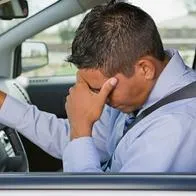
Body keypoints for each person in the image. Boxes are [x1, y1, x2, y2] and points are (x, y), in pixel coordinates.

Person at [1, 0, 196, 172]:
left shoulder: (175, 128)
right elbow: (83, 143)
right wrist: (4, 104)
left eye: (97, 89)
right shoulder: (132, 98)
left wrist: (80, 129)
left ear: (145, 69)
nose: (97, 98)